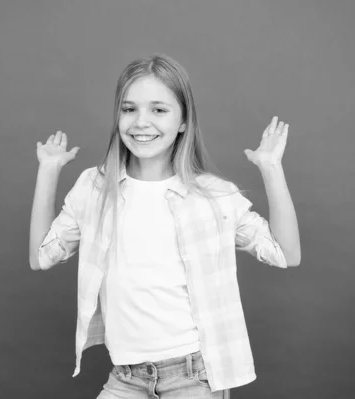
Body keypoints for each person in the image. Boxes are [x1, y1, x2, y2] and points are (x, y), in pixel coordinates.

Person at [29, 54, 301, 399]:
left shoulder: (212, 196)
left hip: (193, 378)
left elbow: (285, 253)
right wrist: (48, 171)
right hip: (125, 378)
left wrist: (271, 167)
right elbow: (41, 257)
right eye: (129, 109)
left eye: (159, 110)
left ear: (183, 121)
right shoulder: (94, 189)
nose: (141, 122)